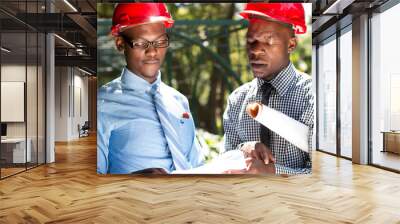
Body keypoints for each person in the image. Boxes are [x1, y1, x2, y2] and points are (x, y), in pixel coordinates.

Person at [97, 3, 204, 174]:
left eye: (160, 42)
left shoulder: (179, 101)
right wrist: (133, 181)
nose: (153, 52)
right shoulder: (101, 104)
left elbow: (198, 165)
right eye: (140, 43)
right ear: (120, 44)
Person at [223, 3, 313, 175]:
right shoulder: (237, 100)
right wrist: (244, 148)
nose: (256, 51)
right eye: (251, 41)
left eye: (268, 41)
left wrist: (272, 171)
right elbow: (225, 161)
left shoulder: (311, 96)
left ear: (291, 44)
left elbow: (322, 173)